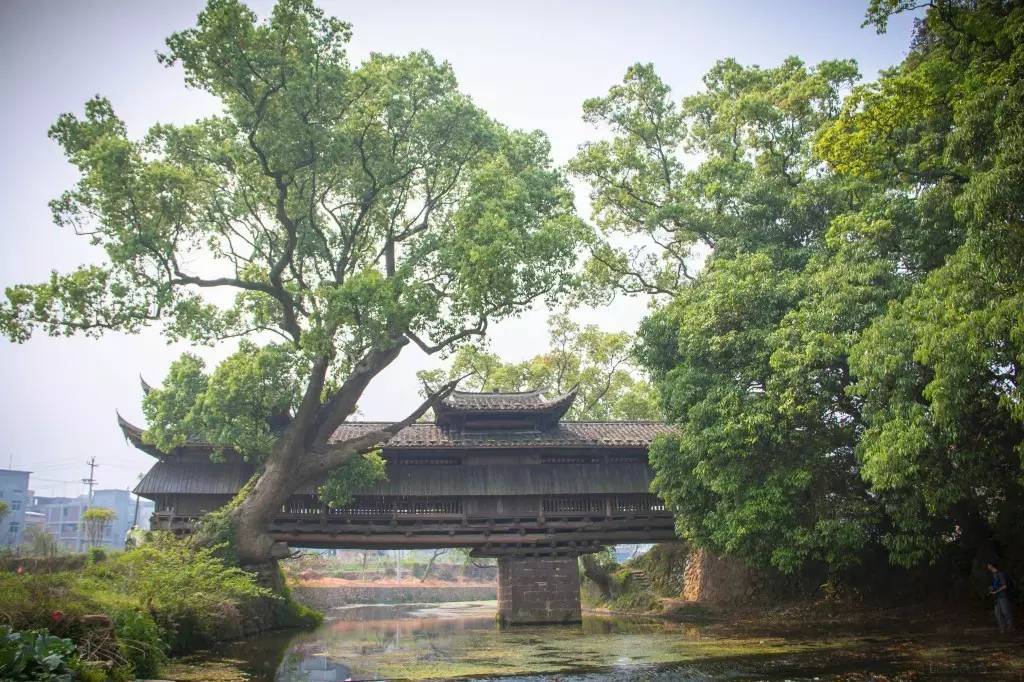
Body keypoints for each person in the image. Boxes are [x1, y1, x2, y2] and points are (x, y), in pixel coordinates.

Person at [987, 562, 1014, 633]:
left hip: (1002, 596)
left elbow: (1004, 586)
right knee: (997, 613)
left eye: (988, 565)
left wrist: (996, 591)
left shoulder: (1000, 574)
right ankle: (1002, 628)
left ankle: (1010, 628)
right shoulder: (993, 575)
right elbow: (995, 585)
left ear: (991, 566)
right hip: (996, 597)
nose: (988, 566)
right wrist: (991, 588)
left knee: (1006, 612)